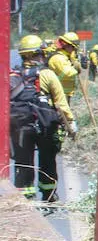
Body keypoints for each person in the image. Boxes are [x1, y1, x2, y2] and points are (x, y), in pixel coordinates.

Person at [10, 35, 77, 203]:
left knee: (23, 162)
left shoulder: (12, 76)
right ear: (39, 54)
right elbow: (61, 103)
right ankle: (49, 195)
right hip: (45, 125)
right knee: (47, 160)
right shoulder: (47, 74)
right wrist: (71, 124)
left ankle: (25, 197)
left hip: (20, 126)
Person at [47, 32, 81, 98]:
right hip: (58, 95)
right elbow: (68, 73)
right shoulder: (58, 58)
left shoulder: (66, 58)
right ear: (67, 45)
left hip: (64, 94)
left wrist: (74, 61)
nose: (74, 50)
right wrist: (74, 64)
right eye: (73, 47)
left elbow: (78, 70)